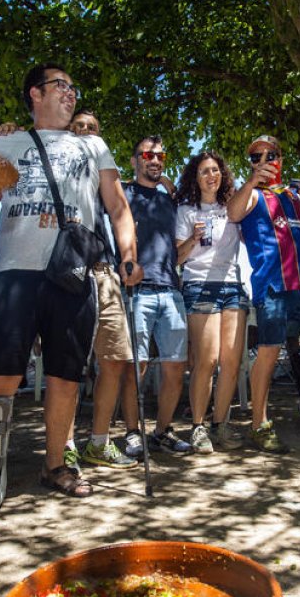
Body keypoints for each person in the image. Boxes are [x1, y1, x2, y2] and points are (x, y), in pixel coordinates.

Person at [0, 63, 138, 523]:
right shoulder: (5, 142)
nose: (70, 94)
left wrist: (129, 254)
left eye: (74, 88)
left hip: (72, 273)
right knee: (1, 376)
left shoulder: (92, 145)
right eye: (60, 86)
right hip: (14, 272)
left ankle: (56, 464)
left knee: (65, 375)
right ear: (34, 93)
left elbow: (117, 204)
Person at [228, 134, 300, 453]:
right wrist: (250, 182)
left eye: (270, 154)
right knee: (268, 353)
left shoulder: (294, 197)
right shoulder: (249, 195)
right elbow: (233, 213)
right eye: (255, 156)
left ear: (281, 160)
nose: (264, 160)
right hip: (273, 287)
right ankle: (259, 425)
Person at [63, 110, 139, 471]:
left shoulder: (101, 167)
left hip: (104, 267)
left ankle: (98, 441)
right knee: (68, 364)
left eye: (92, 127)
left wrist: (129, 257)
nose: (85, 132)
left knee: (116, 358)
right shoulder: (55, 161)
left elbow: (119, 208)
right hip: (63, 270)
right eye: (78, 127)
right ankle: (64, 444)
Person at [118, 136, 194, 455]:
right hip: (137, 290)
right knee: (138, 366)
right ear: (134, 160)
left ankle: (162, 431)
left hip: (171, 289)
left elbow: (184, 220)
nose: (155, 160)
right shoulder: (122, 193)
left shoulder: (169, 201)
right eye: (147, 154)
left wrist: (167, 185)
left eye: (161, 156)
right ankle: (133, 432)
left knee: (176, 367)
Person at [174, 151, 249, 452]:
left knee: (231, 362)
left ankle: (221, 425)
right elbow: (177, 258)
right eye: (204, 171)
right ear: (196, 177)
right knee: (207, 360)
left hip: (232, 285)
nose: (211, 176)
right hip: (199, 286)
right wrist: (192, 239)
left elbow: (254, 236)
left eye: (216, 170)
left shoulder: (232, 209)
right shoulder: (185, 211)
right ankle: (197, 427)